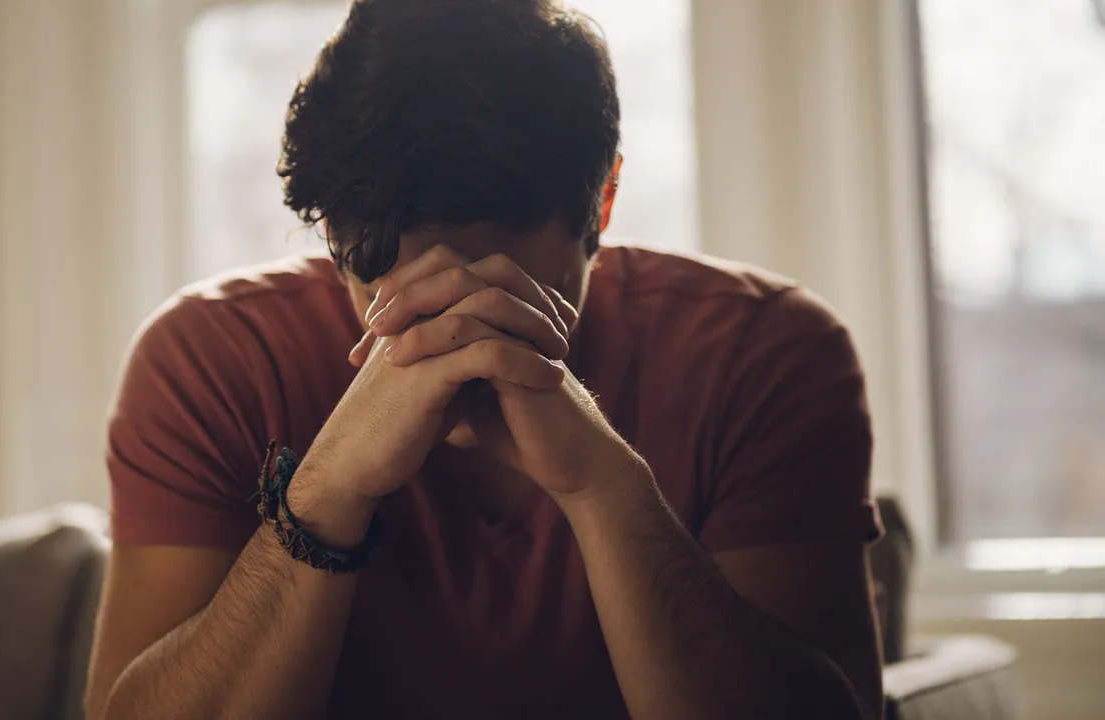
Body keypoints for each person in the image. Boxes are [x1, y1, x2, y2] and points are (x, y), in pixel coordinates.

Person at [84, 1, 885, 718]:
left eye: (505, 301)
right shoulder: (210, 358)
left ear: (601, 204)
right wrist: (328, 492)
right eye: (396, 300)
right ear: (330, 229)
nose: (451, 348)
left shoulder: (763, 352)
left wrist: (603, 486)